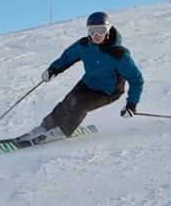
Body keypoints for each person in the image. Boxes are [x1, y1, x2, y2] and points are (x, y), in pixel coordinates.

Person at [17, 11, 145, 144]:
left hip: (108, 91)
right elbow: (67, 57)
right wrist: (53, 70)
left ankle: (62, 131)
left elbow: (136, 80)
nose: (96, 35)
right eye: (92, 30)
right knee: (67, 102)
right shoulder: (84, 45)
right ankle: (45, 127)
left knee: (80, 104)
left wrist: (131, 104)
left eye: (100, 30)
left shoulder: (119, 55)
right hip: (88, 83)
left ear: (108, 30)